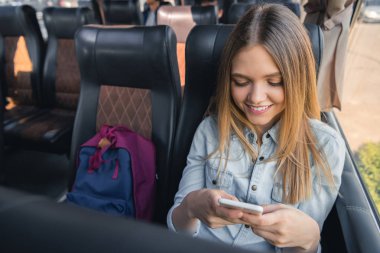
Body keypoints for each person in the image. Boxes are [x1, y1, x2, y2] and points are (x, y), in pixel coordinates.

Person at [167, 3, 345, 253]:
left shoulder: (324, 146)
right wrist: (191, 207)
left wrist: (308, 239)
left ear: (297, 80)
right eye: (241, 82)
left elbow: (300, 246)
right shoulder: (210, 130)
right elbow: (176, 229)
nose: (256, 97)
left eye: (274, 82)